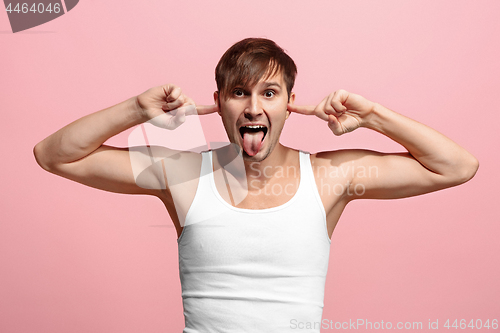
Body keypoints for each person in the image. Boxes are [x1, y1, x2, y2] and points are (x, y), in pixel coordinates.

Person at [33, 38, 479, 332]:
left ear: (289, 104)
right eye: (239, 93)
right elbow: (53, 155)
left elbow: (455, 166)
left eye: (268, 93)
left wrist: (374, 116)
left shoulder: (329, 177)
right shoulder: (183, 175)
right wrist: (136, 109)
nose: (252, 107)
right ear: (218, 104)